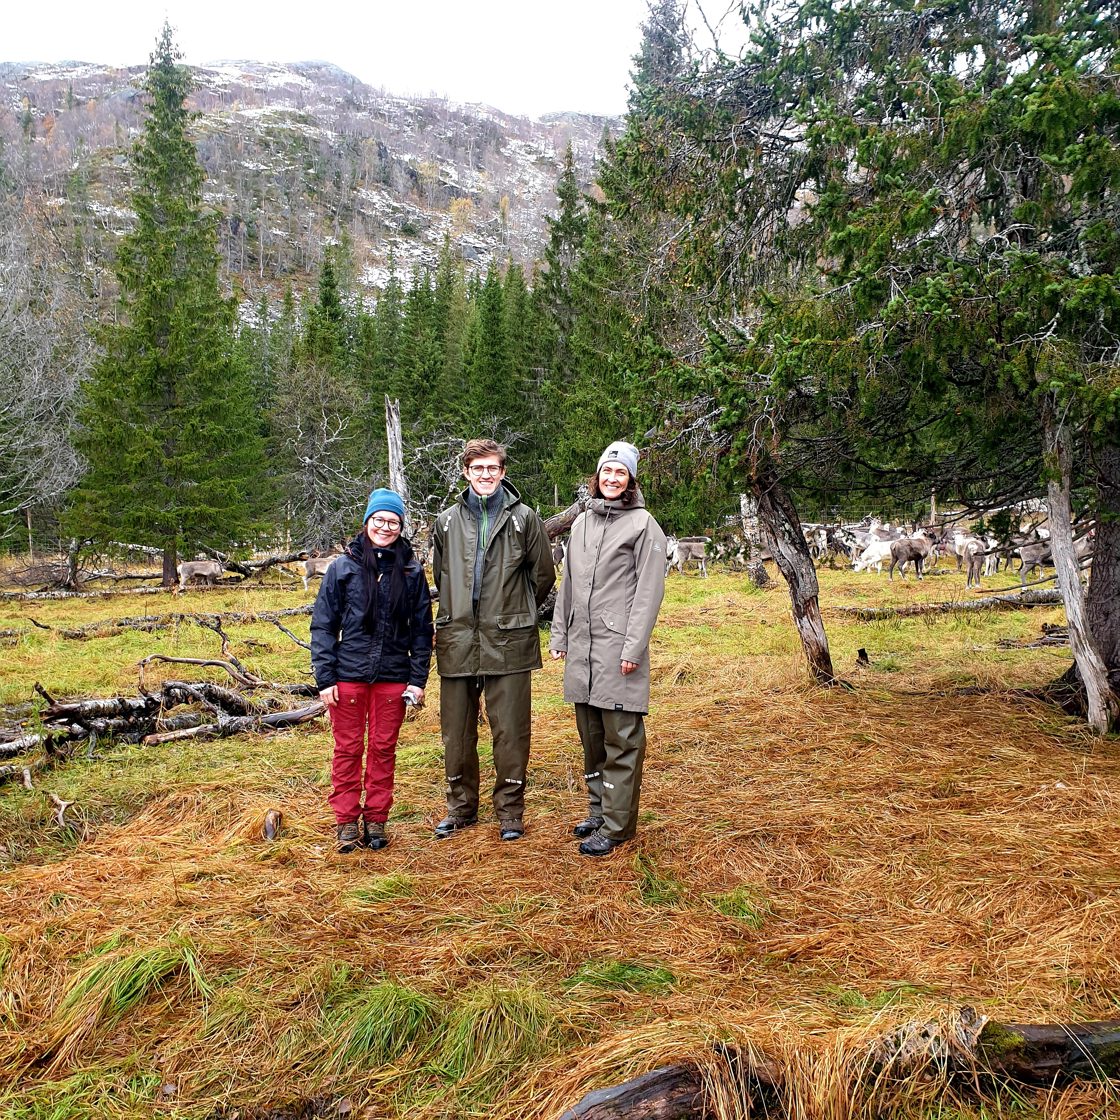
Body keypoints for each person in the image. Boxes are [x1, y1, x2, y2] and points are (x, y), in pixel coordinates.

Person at [431, 438, 555, 841]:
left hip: (510, 641)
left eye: (493, 468)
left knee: (511, 730)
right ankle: (461, 808)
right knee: (457, 730)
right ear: (465, 472)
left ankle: (510, 812)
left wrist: (514, 612)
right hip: (457, 638)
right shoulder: (446, 522)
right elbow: (442, 575)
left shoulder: (525, 519)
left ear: (503, 471)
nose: (485, 475)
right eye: (477, 468)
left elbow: (543, 576)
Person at [549, 442, 667, 856]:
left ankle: (618, 827)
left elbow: (649, 593)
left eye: (621, 472)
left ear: (631, 480)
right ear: (597, 477)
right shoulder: (582, 524)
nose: (612, 479)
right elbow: (569, 586)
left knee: (622, 740)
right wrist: (560, 636)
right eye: (606, 472)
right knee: (592, 739)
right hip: (582, 653)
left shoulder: (643, 525)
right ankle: (599, 811)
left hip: (619, 653)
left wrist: (633, 648)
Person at [311, 488, 433, 853]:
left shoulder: (411, 572)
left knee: (383, 749)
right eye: (379, 520)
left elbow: (422, 630)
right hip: (348, 675)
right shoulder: (342, 568)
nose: (385, 527)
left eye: (393, 522)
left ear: (400, 527)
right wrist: (325, 677)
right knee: (347, 749)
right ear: (367, 522)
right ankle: (346, 822)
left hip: (393, 678)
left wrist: (417, 680)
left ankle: (377, 820)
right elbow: (323, 625)